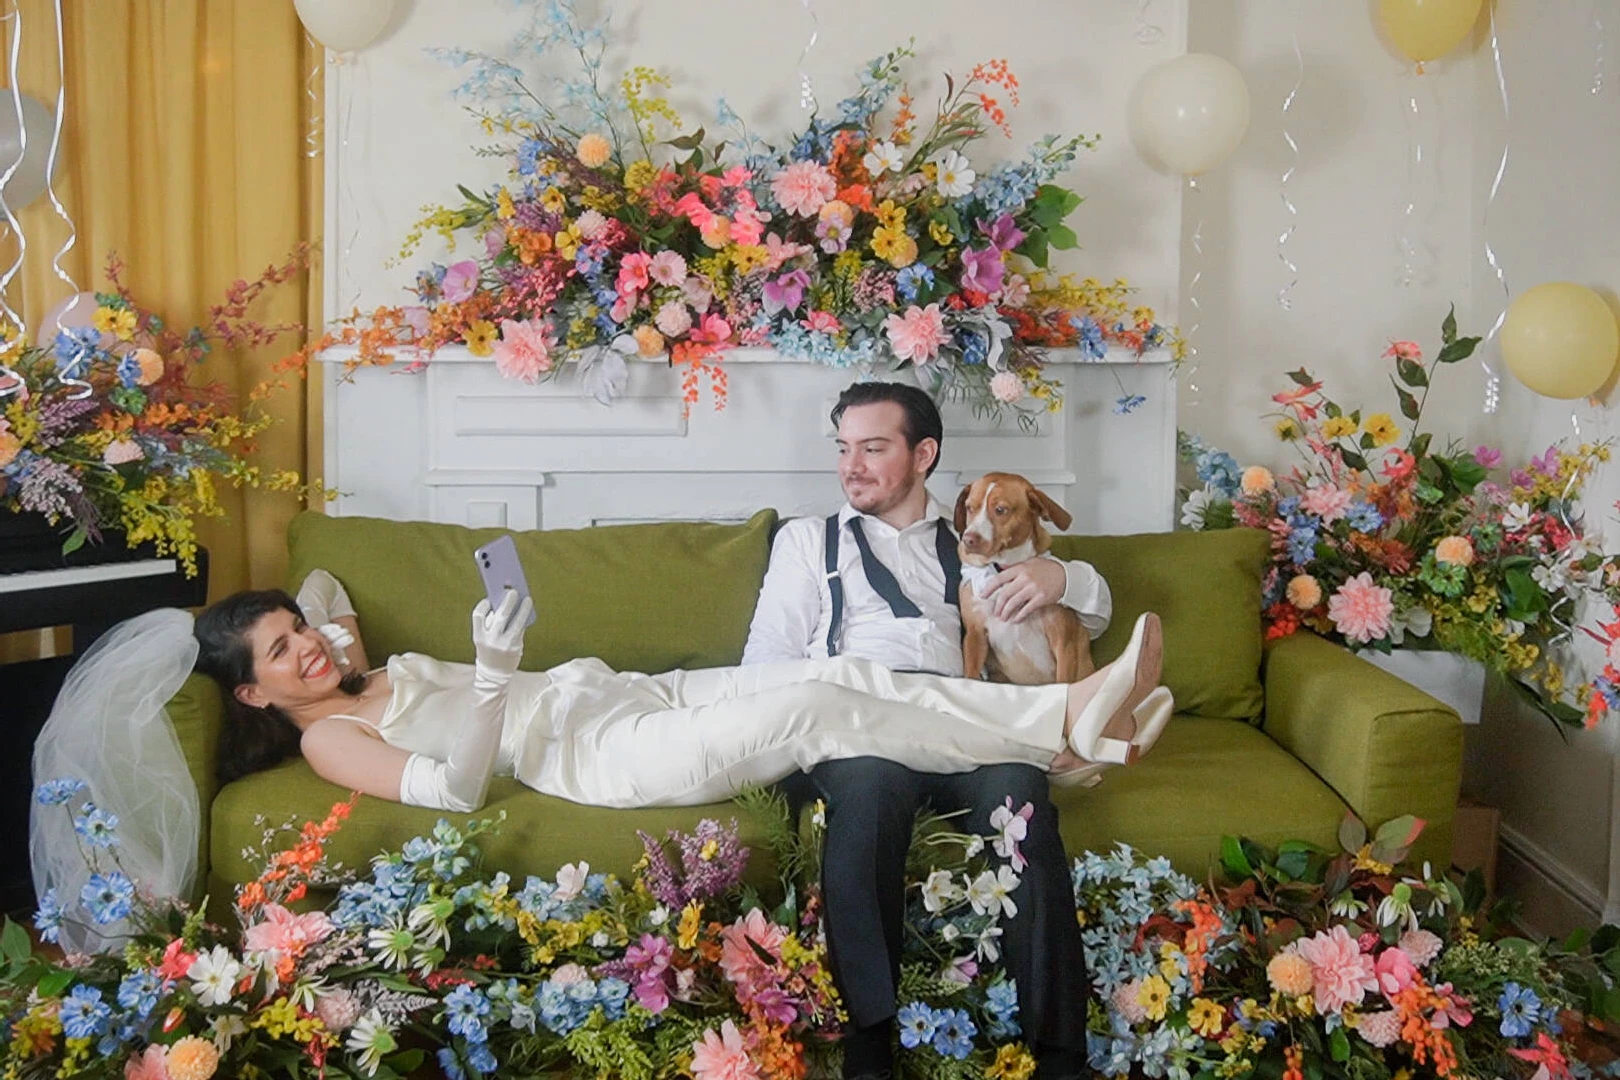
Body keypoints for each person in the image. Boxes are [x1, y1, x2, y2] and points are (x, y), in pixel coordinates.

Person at [740, 381, 1152, 1080]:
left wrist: (1060, 575)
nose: (852, 466)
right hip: (860, 727)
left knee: (1021, 798)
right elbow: (764, 665)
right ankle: (870, 1052)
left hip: (965, 725)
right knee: (866, 799)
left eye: (874, 448)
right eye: (844, 448)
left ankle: (1061, 1057)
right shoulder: (809, 541)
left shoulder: (976, 539)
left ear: (924, 453)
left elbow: (1096, 610)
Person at [189, 570, 1166, 814]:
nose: (309, 647)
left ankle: (1071, 735)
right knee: (814, 712)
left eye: (302, 632)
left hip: (634, 691)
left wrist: (311, 622)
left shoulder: (349, 660)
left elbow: (322, 597)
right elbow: (453, 791)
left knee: (844, 671)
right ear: (250, 698)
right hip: (605, 759)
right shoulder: (325, 742)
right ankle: (1069, 728)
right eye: (280, 654)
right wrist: (491, 679)